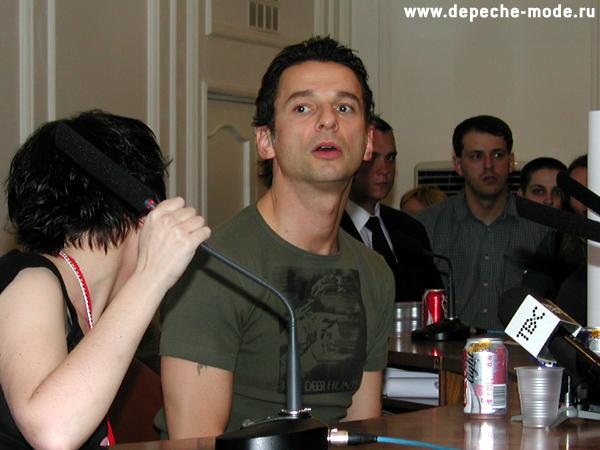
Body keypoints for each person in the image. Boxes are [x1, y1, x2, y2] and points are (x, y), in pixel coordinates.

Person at [158, 36, 395, 438]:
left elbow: (361, 429)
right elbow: (194, 442)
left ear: (368, 142)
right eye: (303, 107)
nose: (328, 120)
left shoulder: (374, 272)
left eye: (344, 107)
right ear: (266, 141)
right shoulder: (212, 268)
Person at [0, 110, 211, 449]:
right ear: (145, 213)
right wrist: (152, 275)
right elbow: (52, 431)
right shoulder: (33, 281)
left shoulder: (86, 314)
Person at [416, 115, 548, 330]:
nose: (489, 166)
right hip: (449, 348)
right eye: (476, 156)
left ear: (511, 162)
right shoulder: (427, 226)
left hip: (520, 350)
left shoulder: (541, 228)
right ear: (458, 165)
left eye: (498, 155)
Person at [341, 116, 442, 301]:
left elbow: (432, 300)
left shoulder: (411, 230)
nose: (384, 169)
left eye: (390, 158)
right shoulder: (328, 230)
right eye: (372, 157)